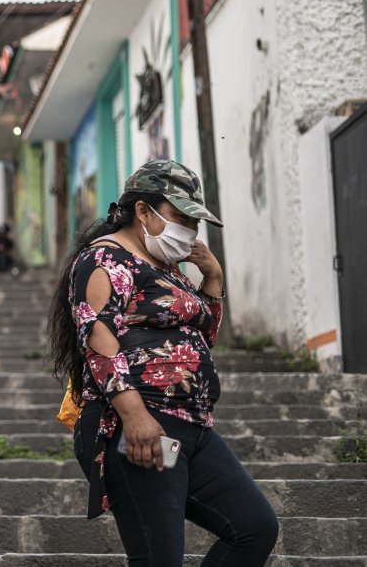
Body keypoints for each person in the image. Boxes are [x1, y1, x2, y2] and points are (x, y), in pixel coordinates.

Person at [47, 160, 278, 566]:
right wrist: (134, 415)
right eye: (179, 216)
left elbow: (201, 338)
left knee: (254, 528)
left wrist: (212, 279)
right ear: (142, 211)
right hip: (137, 426)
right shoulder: (103, 261)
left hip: (192, 427)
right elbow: (98, 343)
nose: (188, 230)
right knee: (159, 558)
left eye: (194, 221)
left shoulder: (167, 268)